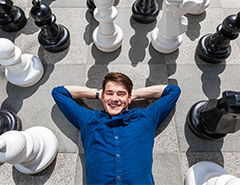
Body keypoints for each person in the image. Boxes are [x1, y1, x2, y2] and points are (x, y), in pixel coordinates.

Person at [52, 72, 181, 185]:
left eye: (121, 94)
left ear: (129, 97)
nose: (114, 99)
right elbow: (58, 93)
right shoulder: (89, 119)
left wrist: (133, 94)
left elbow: (173, 91)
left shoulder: (145, 117)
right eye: (109, 93)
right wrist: (98, 94)